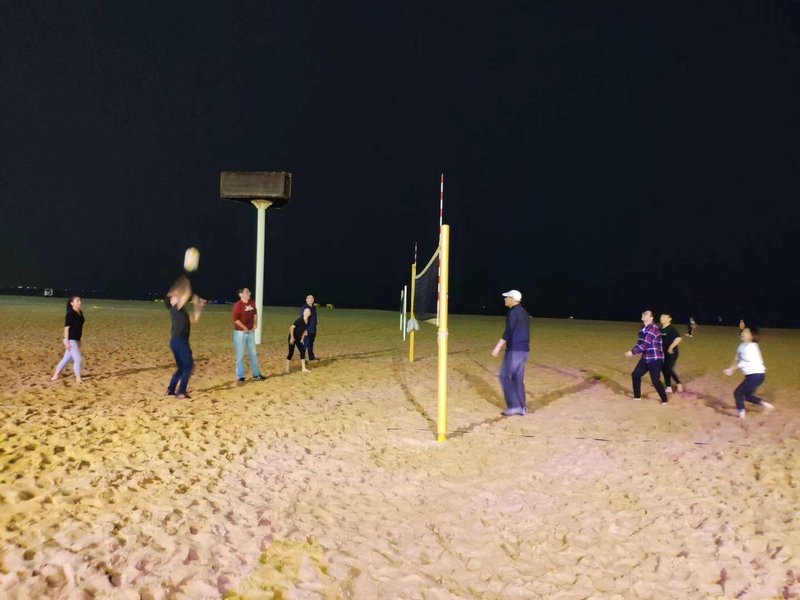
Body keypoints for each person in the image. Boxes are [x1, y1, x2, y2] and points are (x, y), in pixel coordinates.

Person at [491, 290, 530, 417]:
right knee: (517, 378)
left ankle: (514, 406)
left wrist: (497, 347)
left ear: (513, 299)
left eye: (507, 297)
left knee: (504, 376)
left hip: (515, 350)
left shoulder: (513, 312)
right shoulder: (523, 311)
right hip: (524, 350)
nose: (505, 299)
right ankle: (522, 407)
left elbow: (508, 332)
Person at [165, 276, 205, 399]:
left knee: (181, 367)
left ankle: (170, 390)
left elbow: (195, 320)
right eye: (174, 296)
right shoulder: (175, 309)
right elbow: (187, 293)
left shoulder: (182, 312)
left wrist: (199, 306)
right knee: (188, 366)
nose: (177, 296)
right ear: (171, 302)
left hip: (177, 342)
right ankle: (181, 391)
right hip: (180, 342)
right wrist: (186, 280)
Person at [724, 327, 774, 419]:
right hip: (753, 376)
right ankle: (767, 406)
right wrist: (730, 368)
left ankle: (742, 417)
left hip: (756, 375)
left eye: (746, 332)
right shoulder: (742, 346)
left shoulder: (751, 347)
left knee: (738, 393)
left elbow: (743, 363)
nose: (742, 333)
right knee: (747, 396)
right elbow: (737, 359)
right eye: (743, 332)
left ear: (751, 336)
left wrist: (732, 369)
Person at [625, 310, 669, 404]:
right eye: (643, 313)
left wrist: (632, 352)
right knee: (636, 375)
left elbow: (646, 344)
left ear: (651, 318)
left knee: (655, 381)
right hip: (645, 358)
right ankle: (637, 397)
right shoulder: (642, 329)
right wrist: (633, 350)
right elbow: (639, 343)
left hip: (655, 359)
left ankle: (664, 399)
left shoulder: (653, 328)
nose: (643, 315)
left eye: (646, 314)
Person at [232, 287, 264, 382]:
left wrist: (255, 324)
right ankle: (240, 376)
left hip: (250, 332)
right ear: (241, 294)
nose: (249, 293)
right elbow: (235, 319)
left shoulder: (252, 302)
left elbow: (255, 314)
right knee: (240, 355)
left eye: (249, 292)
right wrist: (244, 327)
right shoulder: (238, 305)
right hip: (240, 333)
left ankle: (256, 374)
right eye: (246, 292)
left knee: (253, 354)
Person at [51, 296, 85, 383]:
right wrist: (66, 341)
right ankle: (78, 378)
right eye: (77, 301)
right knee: (78, 358)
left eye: (80, 301)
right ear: (72, 303)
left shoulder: (80, 313)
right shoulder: (70, 314)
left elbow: (79, 327)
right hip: (71, 339)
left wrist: (79, 340)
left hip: (76, 339)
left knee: (66, 359)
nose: (80, 302)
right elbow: (66, 328)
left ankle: (56, 375)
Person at [659, 313, 684, 393]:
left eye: (664, 317)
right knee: (663, 369)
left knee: (668, 368)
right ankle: (668, 387)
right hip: (662, 353)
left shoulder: (671, 329)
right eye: (661, 317)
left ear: (669, 319)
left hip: (672, 353)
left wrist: (671, 347)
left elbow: (678, 338)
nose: (661, 318)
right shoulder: (660, 329)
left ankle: (678, 383)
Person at [287, 307, 312, 373]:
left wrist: (302, 338)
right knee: (291, 353)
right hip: (292, 337)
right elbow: (291, 327)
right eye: (305, 311)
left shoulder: (309, 321)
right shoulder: (300, 320)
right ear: (303, 313)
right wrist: (292, 338)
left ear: (310, 313)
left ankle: (303, 368)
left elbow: (304, 330)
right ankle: (287, 368)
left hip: (298, 338)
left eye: (308, 311)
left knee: (302, 351)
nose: (307, 312)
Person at [300, 294, 318, 360]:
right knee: (305, 344)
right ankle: (303, 359)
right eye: (309, 298)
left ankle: (311, 356)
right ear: (306, 300)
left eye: (312, 298)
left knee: (311, 343)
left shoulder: (314, 307)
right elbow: (303, 319)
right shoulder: (304, 307)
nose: (311, 299)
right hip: (307, 329)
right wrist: (304, 329)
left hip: (313, 328)